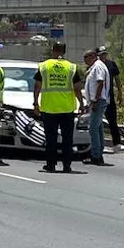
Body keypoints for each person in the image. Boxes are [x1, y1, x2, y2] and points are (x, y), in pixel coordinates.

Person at [32, 42, 85, 173]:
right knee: (67, 139)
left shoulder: (44, 66)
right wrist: (82, 104)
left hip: (49, 109)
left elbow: (37, 86)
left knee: (51, 139)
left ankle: (51, 165)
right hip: (67, 109)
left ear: (53, 50)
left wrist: (35, 103)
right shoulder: (71, 67)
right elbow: (77, 88)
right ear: (64, 51)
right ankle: (67, 165)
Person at [81, 48, 111, 166]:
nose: (85, 61)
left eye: (86, 58)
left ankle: (95, 155)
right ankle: (98, 152)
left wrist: (95, 100)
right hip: (98, 101)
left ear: (93, 56)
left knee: (93, 128)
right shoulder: (96, 66)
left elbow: (100, 83)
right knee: (98, 128)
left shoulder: (98, 66)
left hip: (98, 101)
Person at [97, 46, 124, 151]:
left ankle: (116, 143)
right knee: (97, 121)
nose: (103, 56)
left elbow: (117, 79)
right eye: (101, 54)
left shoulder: (111, 64)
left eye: (104, 54)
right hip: (99, 97)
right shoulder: (95, 66)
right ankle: (99, 144)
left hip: (109, 96)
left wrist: (120, 93)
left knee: (112, 120)